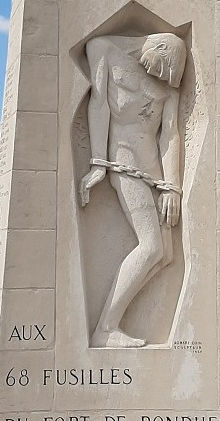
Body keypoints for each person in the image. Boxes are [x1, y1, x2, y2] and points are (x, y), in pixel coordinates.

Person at [79, 33, 188, 348]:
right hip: (124, 162)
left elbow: (170, 136)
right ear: (157, 48)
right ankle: (106, 328)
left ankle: (109, 322)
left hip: (156, 174)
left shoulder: (168, 89)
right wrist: (99, 163)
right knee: (152, 247)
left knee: (165, 254)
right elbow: (98, 104)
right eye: (163, 67)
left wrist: (172, 187)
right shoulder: (104, 49)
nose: (163, 77)